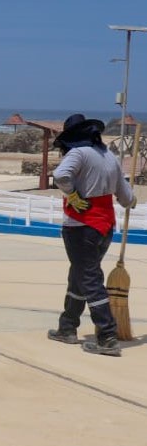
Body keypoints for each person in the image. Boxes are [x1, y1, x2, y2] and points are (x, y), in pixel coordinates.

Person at [48, 113, 136, 357]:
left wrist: (72, 194)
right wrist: (132, 199)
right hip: (105, 226)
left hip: (81, 226)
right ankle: (67, 327)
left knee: (89, 279)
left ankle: (107, 336)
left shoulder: (78, 153)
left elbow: (61, 176)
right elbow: (127, 197)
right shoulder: (108, 155)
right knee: (79, 274)